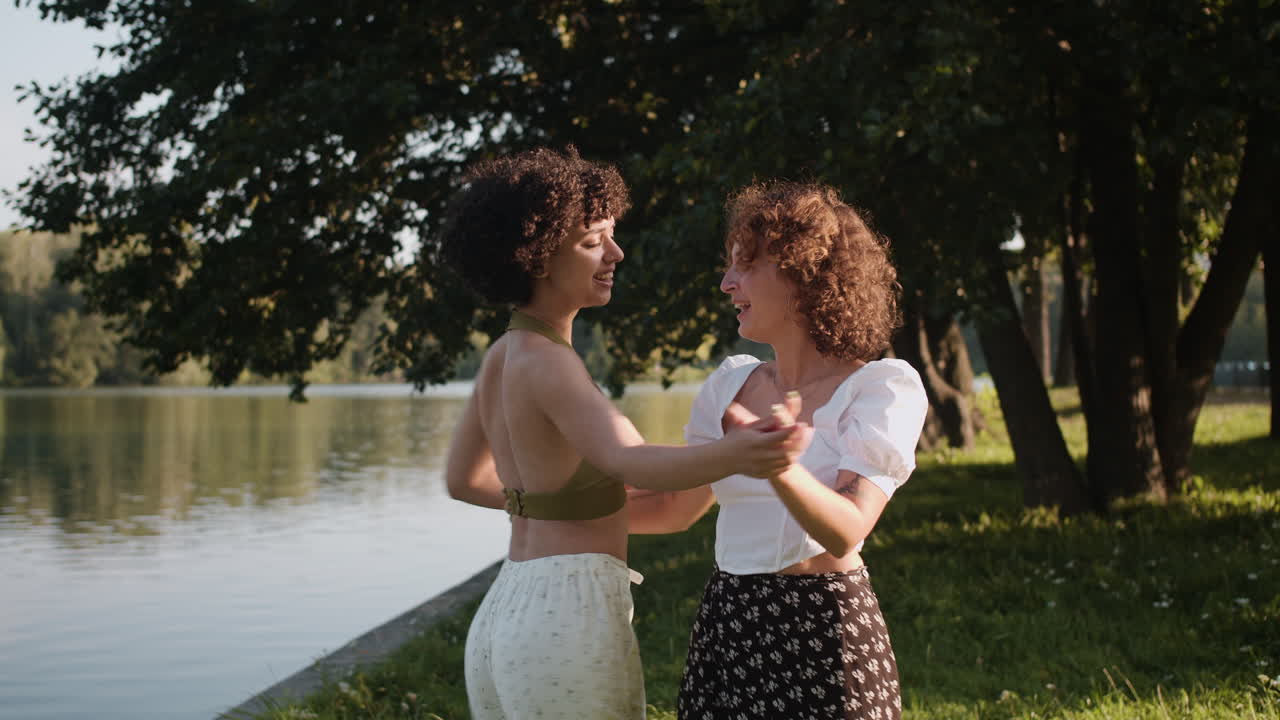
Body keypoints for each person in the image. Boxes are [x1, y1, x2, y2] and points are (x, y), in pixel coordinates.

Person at [439, 147, 807, 720]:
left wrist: (569, 507)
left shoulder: (504, 354)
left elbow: (464, 481)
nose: (617, 253)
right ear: (534, 257)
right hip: (568, 613)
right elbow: (630, 459)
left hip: (508, 607)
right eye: (594, 241)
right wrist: (738, 453)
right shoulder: (551, 362)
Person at [628, 181, 928, 719]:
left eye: (746, 266)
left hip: (824, 633)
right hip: (729, 625)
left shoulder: (880, 389)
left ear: (802, 275)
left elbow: (848, 527)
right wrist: (552, 511)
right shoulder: (728, 387)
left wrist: (780, 467)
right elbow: (674, 509)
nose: (726, 283)